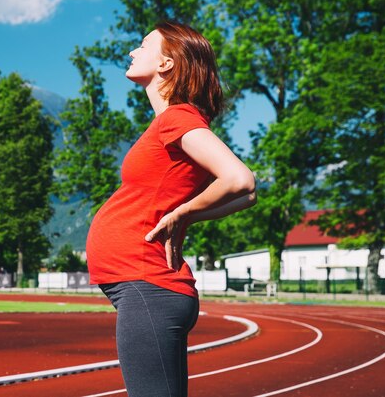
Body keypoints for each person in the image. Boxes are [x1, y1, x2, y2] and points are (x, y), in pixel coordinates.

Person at [86, 21, 257, 397]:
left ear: (166, 64)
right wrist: (191, 214)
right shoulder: (173, 121)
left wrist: (181, 214)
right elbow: (246, 198)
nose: (133, 52)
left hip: (148, 286)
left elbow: (242, 182)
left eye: (144, 45)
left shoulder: (177, 118)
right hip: (147, 288)